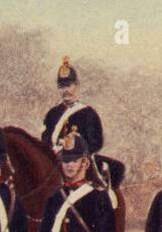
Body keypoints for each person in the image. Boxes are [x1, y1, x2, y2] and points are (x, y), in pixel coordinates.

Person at [40, 56, 126, 190]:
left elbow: (96, 143)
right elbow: (45, 139)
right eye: (61, 86)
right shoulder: (52, 114)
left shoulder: (88, 113)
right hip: (55, 161)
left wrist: (78, 152)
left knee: (114, 171)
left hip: (80, 161)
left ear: (76, 85)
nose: (65, 90)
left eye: (69, 85)